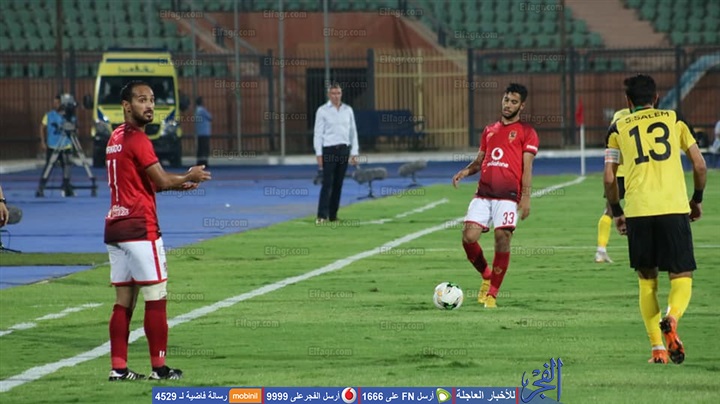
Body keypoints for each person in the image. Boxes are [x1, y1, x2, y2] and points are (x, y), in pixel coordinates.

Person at [104, 80, 211, 381]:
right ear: (126, 106)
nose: (149, 105)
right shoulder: (138, 139)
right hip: (140, 227)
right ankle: (159, 368)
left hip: (115, 226)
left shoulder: (115, 137)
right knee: (156, 296)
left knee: (123, 302)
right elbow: (161, 180)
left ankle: (118, 368)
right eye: (142, 100)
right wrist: (189, 175)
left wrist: (178, 184)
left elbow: (143, 184)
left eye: (151, 99)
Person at [604, 74, 706, 365]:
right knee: (681, 275)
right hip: (673, 208)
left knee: (647, 282)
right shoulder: (674, 119)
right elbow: (700, 165)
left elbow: (609, 177)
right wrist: (697, 199)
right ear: (656, 98)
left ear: (628, 101)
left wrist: (617, 210)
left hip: (638, 210)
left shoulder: (618, 127)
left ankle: (658, 350)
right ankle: (672, 318)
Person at [452, 83, 539, 308]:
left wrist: (526, 197)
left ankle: (492, 294)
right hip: (483, 194)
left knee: (502, 238)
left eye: (513, 102)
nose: (508, 105)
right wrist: (466, 171)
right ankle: (486, 274)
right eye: (506, 100)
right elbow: (480, 160)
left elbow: (527, 168)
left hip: (508, 196)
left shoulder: (527, 132)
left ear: (522, 106)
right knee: (468, 237)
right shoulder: (489, 130)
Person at [313, 82, 359, 223]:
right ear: (329, 94)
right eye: (333, 93)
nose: (336, 96)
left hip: (344, 150)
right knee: (327, 183)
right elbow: (318, 134)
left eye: (338, 93)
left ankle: (333, 215)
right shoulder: (322, 111)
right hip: (329, 150)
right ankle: (322, 215)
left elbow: (353, 132)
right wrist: (319, 154)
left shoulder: (348, 110)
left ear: (341, 94)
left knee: (338, 184)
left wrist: (354, 152)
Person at [595, 107, 630, 263]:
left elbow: (611, 140)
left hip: (618, 171)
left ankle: (601, 250)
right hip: (636, 171)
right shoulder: (649, 116)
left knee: (609, 210)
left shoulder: (619, 115)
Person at [38, 94, 74, 197]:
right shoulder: (49, 115)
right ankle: (41, 187)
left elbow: (74, 128)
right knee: (48, 167)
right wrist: (43, 141)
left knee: (67, 167)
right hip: (53, 146)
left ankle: (66, 186)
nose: (55, 105)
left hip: (66, 145)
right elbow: (42, 127)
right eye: (54, 103)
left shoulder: (69, 116)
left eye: (57, 103)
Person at [195, 96, 212, 167]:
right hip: (205, 132)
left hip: (199, 132)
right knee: (205, 148)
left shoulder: (196, 111)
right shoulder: (202, 110)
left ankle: (199, 161)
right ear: (201, 102)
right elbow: (210, 117)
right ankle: (204, 162)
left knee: (200, 148)